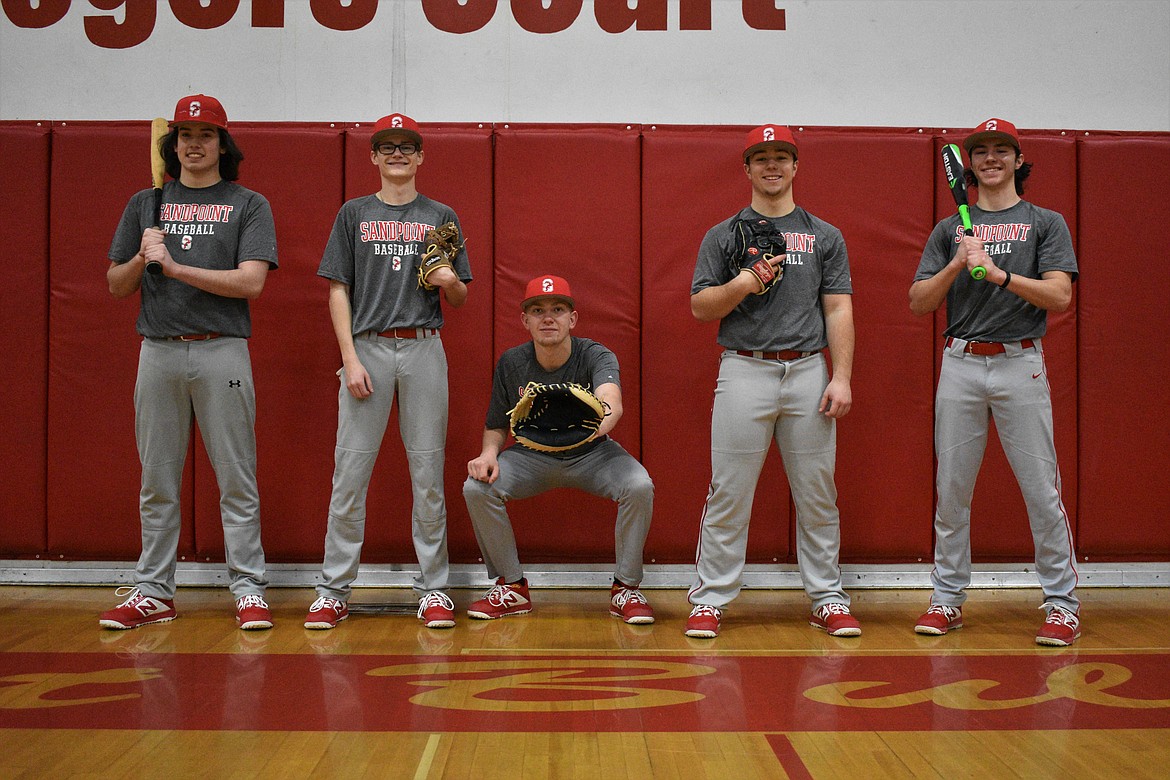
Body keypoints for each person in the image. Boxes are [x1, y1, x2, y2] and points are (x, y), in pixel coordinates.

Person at [100, 94, 278, 631]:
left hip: (222, 347)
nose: (194, 144)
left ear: (223, 145)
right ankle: (153, 591)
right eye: (184, 135)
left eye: (205, 135)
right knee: (157, 481)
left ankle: (249, 589)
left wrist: (175, 268)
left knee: (236, 478)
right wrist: (141, 256)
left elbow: (251, 282)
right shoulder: (144, 205)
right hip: (157, 351)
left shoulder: (248, 204)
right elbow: (115, 286)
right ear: (171, 145)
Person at [909, 117, 1080, 646]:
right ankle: (947, 599)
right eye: (979, 151)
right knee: (952, 489)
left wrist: (1002, 275)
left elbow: (1060, 297)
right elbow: (919, 302)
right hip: (960, 363)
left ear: (1018, 160)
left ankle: (1061, 604)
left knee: (1040, 491)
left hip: (1020, 363)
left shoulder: (1045, 223)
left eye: (1000, 150)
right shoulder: (949, 231)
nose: (990, 158)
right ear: (969, 164)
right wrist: (959, 262)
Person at [685, 124, 859, 639]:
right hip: (744, 367)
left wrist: (842, 377)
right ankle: (710, 599)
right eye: (761, 158)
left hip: (808, 369)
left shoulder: (824, 235)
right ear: (747, 169)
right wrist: (746, 280)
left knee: (817, 491)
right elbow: (699, 307)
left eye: (782, 156)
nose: (772, 166)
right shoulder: (723, 235)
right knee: (729, 492)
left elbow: (838, 307)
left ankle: (827, 597)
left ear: (796, 166)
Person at [305, 113, 471, 631]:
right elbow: (337, 290)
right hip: (368, 350)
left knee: (427, 474)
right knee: (350, 472)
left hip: (423, 348)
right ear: (373, 157)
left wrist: (448, 280)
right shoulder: (353, 213)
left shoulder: (441, 213)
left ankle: (435, 590)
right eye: (387, 147)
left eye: (407, 146)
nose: (397, 153)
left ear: (421, 156)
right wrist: (349, 358)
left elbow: (462, 294)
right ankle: (333, 590)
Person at [463, 275, 655, 624]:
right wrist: (488, 454)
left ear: (573, 319)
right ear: (525, 320)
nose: (547, 318)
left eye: (557, 309)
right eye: (537, 310)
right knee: (476, 487)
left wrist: (595, 423)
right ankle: (512, 587)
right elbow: (496, 424)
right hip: (531, 455)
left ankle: (625, 588)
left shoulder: (595, 354)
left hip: (591, 453)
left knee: (638, 485)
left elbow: (612, 402)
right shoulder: (512, 362)